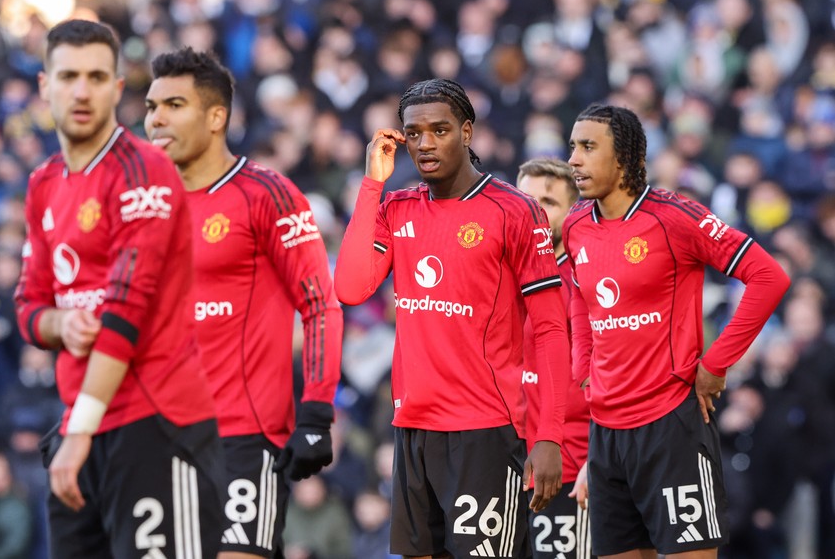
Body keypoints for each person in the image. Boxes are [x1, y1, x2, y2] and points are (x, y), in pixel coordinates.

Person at [334, 78, 571, 558]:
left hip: (485, 430)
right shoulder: (397, 207)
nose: (424, 143)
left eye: (439, 130)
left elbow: (549, 328)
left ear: (466, 132)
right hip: (413, 427)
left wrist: (549, 436)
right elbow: (350, 288)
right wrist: (372, 183)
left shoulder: (515, 211)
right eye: (414, 133)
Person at [13, 20, 224, 558]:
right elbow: (29, 306)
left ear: (116, 87)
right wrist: (59, 323)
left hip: (156, 421)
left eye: (95, 76)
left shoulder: (144, 171)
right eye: (68, 76)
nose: (81, 90)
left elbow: (127, 310)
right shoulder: (43, 183)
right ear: (44, 86)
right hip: (80, 428)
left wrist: (79, 429)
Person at [562, 103, 790, 558]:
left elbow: (770, 277)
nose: (574, 160)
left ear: (624, 158)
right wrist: (584, 368)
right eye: (573, 147)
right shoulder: (574, 225)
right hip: (606, 434)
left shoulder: (675, 217)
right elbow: (580, 299)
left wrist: (715, 364)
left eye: (588, 147)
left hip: (671, 426)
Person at [144, 47, 343, 559]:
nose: (156, 119)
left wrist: (317, 412)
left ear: (216, 117)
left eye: (174, 105)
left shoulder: (267, 194)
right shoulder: (145, 202)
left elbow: (320, 303)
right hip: (156, 437)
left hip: (243, 434)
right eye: (151, 106)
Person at [517, 158, 594, 559]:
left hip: (567, 469)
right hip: (502, 468)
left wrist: (597, 461)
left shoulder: (586, 282)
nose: (534, 210)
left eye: (548, 201)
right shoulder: (493, 274)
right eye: (525, 199)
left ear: (572, 212)